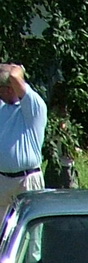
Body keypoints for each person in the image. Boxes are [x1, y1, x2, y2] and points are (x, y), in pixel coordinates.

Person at [0, 62, 46, 219]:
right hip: (2, 180)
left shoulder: (34, 106)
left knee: (31, 234)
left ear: (10, 88)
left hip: (27, 179)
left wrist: (18, 69)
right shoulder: (2, 107)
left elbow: (13, 76)